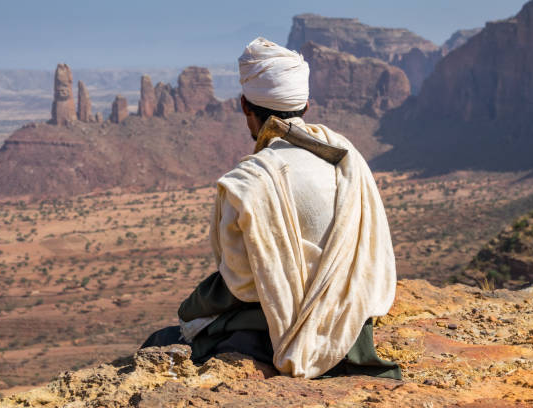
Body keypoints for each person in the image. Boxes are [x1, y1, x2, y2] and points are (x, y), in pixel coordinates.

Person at [141, 37, 400, 380]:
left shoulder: (245, 182)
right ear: (306, 106)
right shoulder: (346, 155)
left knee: (166, 338)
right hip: (355, 319)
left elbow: (243, 285)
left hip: (281, 327)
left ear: (245, 106)